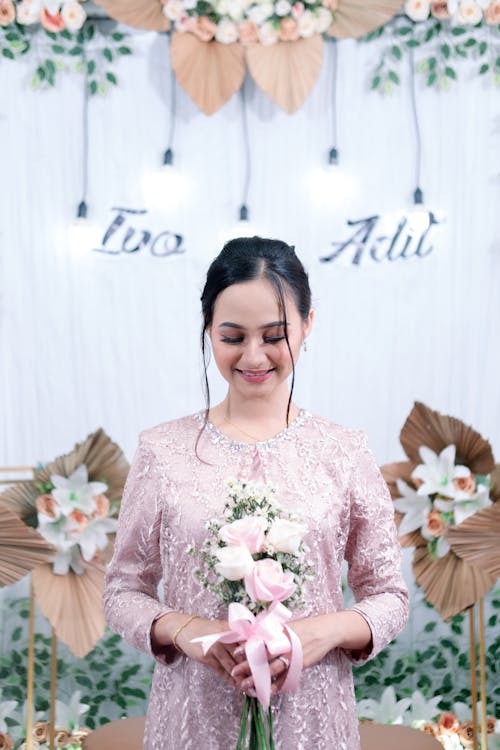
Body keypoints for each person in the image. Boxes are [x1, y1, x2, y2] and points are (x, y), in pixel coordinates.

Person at [103, 236, 409, 750]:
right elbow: (121, 591)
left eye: (274, 335)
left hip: (312, 722)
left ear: (308, 325)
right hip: (193, 718)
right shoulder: (162, 451)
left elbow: (390, 597)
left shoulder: (343, 451)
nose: (253, 356)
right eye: (232, 337)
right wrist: (185, 630)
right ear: (208, 331)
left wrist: (324, 632)